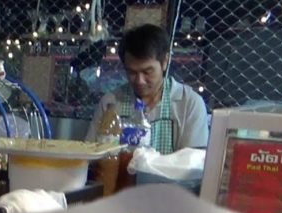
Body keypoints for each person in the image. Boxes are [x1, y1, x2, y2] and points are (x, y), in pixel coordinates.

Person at [86, 24, 209, 154]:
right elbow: (91, 153)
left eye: (147, 72)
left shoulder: (188, 103)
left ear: (165, 62)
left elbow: (193, 163)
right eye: (132, 72)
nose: (140, 80)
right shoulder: (110, 103)